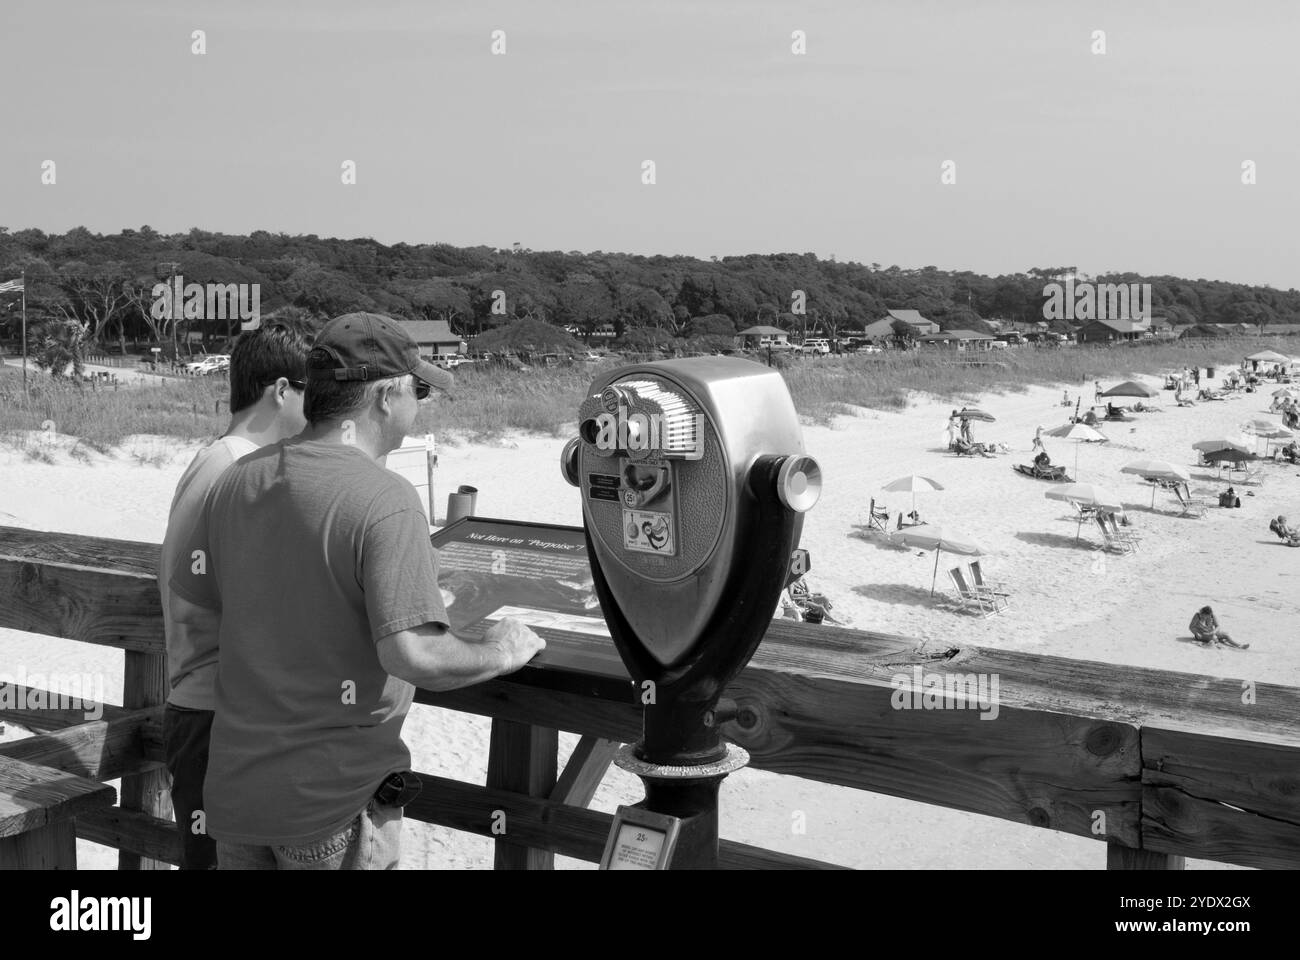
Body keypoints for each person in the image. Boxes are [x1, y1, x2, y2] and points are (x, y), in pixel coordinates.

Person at [169, 313, 545, 870]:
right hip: (331, 802)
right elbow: (413, 654)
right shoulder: (386, 498)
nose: (418, 404)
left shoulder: (237, 479)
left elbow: (209, 598)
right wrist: (503, 650)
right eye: (417, 390)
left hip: (239, 793)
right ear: (387, 396)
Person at [158, 324, 313, 870]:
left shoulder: (213, 458)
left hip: (198, 708)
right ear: (280, 390)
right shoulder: (244, 470)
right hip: (217, 718)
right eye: (309, 388)